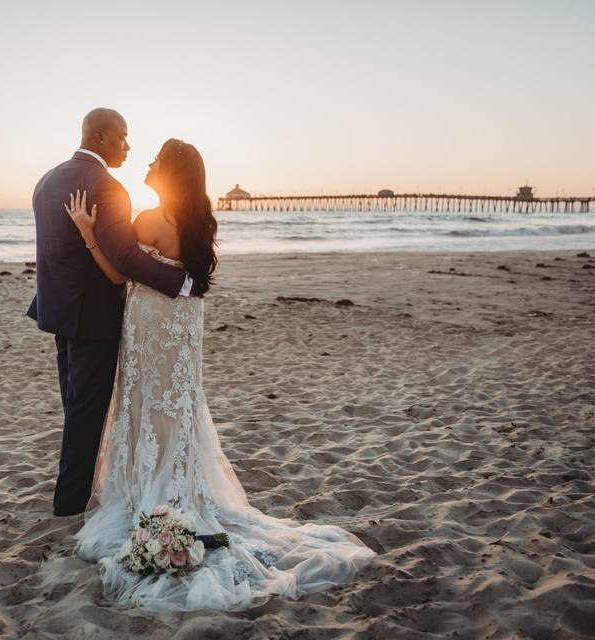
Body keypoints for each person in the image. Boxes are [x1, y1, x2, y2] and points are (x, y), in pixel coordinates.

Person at [65, 138, 377, 612]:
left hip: (152, 324)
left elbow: (115, 271)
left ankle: (148, 488)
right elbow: (186, 279)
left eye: (155, 162)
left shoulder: (149, 220)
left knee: (147, 399)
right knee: (179, 400)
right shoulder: (196, 224)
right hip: (183, 326)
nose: (147, 165)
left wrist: (88, 231)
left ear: (169, 174)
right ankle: (178, 477)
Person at [26, 108, 195, 517]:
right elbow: (124, 259)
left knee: (75, 403)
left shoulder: (46, 179)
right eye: (122, 136)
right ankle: (69, 503)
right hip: (93, 316)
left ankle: (75, 491)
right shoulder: (105, 185)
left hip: (58, 311)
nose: (128, 145)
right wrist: (184, 282)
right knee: (86, 411)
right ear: (100, 137)